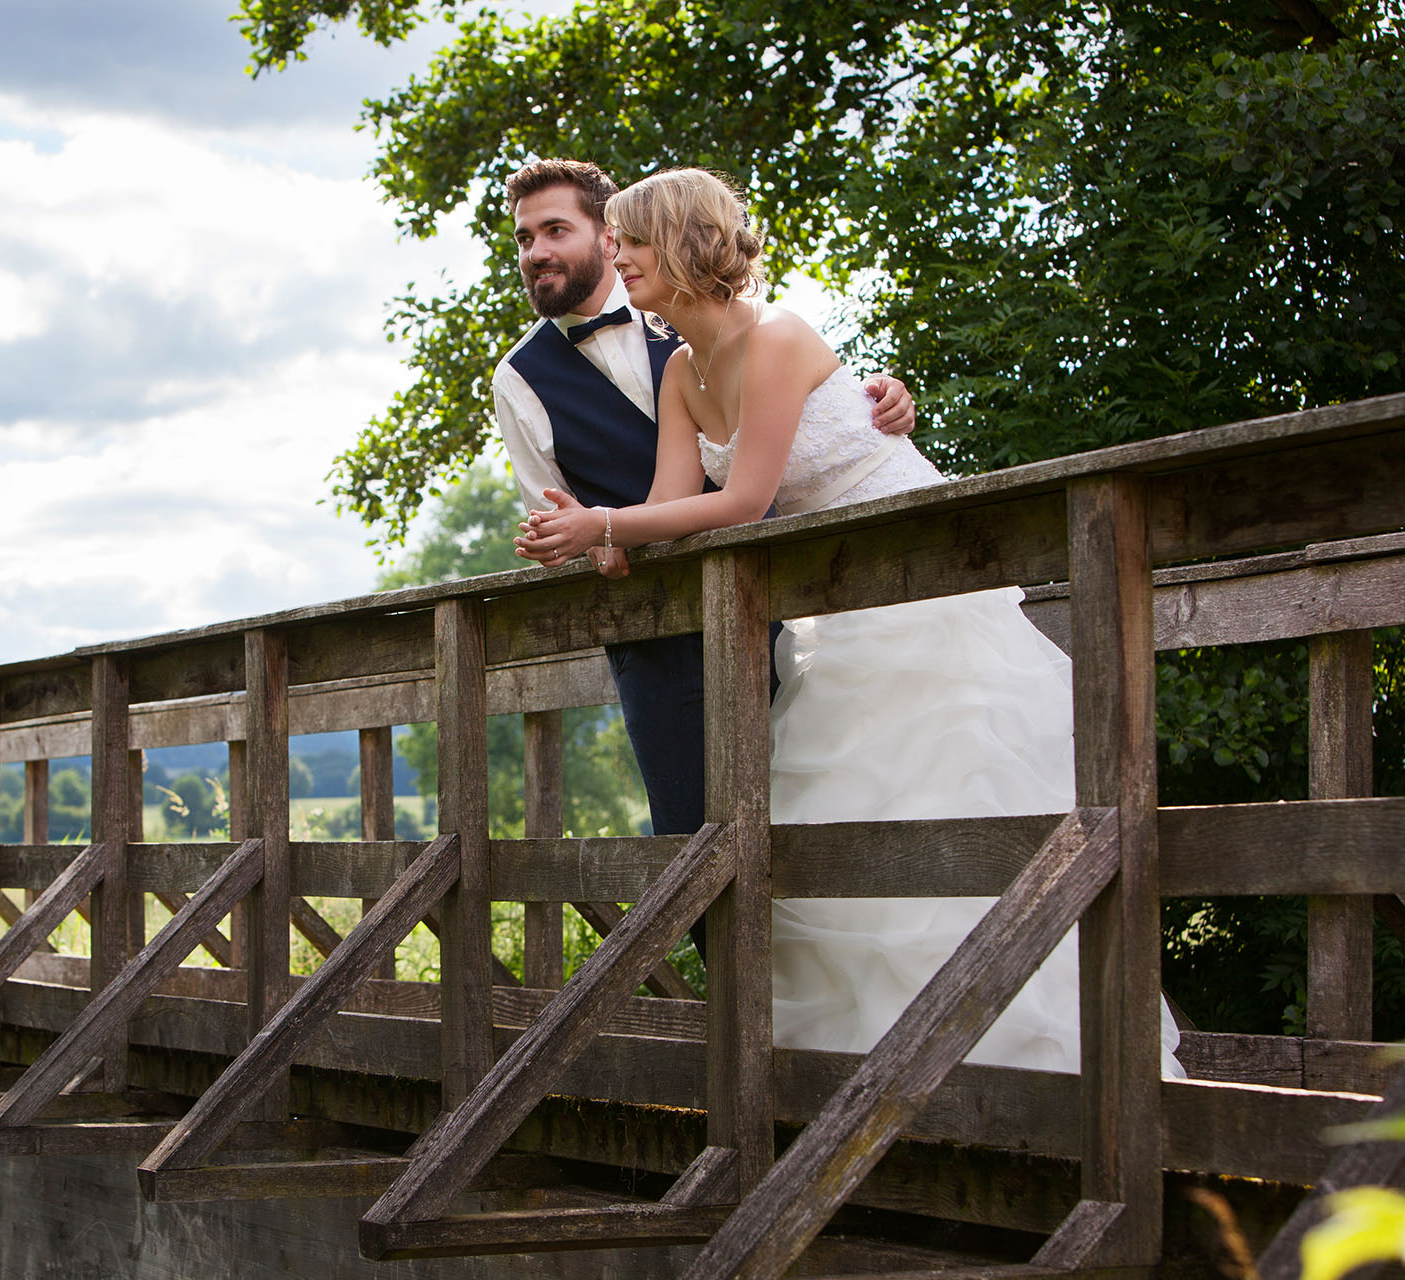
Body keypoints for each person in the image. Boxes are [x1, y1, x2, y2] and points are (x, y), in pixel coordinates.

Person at [516, 167, 1181, 1075]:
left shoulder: (781, 333)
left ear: (682, 242)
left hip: (923, 583)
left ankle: (1045, 1063)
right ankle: (876, 1073)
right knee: (837, 817)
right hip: (837, 606)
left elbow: (745, 500)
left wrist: (600, 524)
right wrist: (606, 538)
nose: (619, 254)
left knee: (957, 797)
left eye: (630, 238)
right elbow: (669, 502)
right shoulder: (678, 371)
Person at [492, 159, 916, 846]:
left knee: (851, 802)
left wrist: (880, 399)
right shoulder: (532, 378)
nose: (536, 251)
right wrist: (597, 542)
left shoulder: (752, 325)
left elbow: (798, 421)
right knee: (694, 837)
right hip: (661, 632)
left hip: (809, 595)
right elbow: (589, 511)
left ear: (607, 235)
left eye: (556, 229)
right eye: (522, 238)